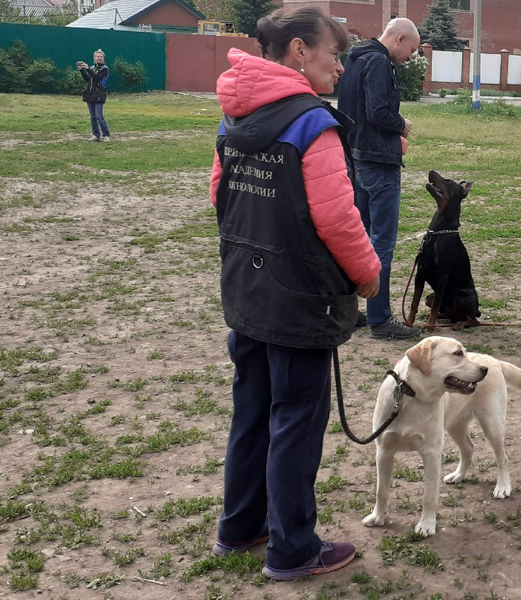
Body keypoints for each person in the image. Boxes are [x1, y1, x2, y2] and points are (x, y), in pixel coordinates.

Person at [208, 5, 381, 581]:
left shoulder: (233, 118)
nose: (338, 68)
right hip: (299, 299)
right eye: (334, 55)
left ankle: (240, 526)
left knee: (252, 412)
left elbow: (220, 198)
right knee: (296, 420)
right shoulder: (312, 124)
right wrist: (367, 275)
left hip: (246, 290)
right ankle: (293, 548)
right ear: (301, 51)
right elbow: (338, 219)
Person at [337, 18, 422, 340]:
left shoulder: (355, 59)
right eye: (411, 50)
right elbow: (378, 112)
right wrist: (400, 124)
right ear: (399, 39)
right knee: (381, 243)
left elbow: (352, 113)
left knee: (356, 239)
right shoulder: (379, 63)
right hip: (379, 163)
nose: (410, 57)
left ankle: (348, 311)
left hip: (356, 158)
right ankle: (380, 320)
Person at [77, 50, 110, 142]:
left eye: (101, 57)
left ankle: (106, 135)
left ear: (103, 58)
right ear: (94, 58)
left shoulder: (105, 69)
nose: (99, 58)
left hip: (99, 93)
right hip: (90, 93)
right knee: (93, 116)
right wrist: (82, 71)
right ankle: (96, 135)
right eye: (97, 56)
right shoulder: (92, 68)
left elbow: (97, 78)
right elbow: (88, 79)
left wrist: (88, 70)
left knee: (99, 115)